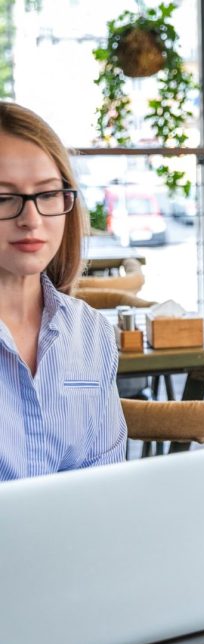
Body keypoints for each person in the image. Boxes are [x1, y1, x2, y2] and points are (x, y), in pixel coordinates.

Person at [0, 102, 126, 481]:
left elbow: (104, 484)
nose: (31, 219)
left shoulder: (91, 332)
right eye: (3, 198)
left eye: (48, 194)